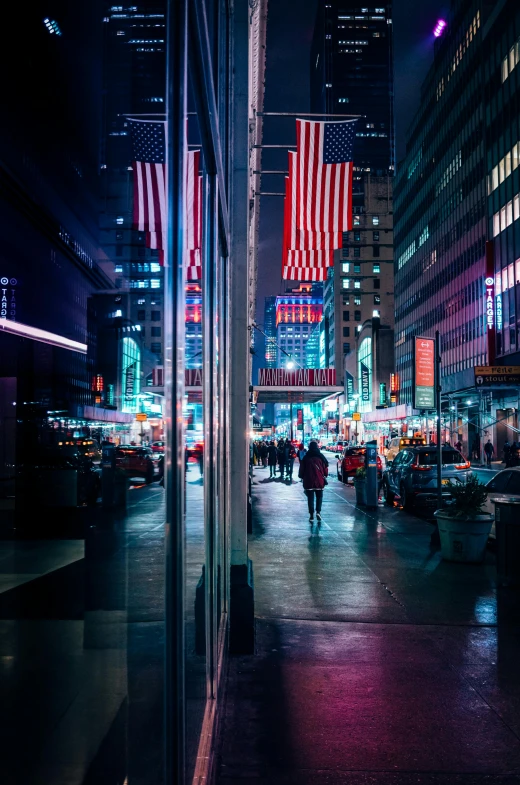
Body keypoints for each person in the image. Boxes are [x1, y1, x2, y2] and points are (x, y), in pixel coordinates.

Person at [298, 440, 329, 525]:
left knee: (310, 498)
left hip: (309, 481)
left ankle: (311, 515)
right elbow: (325, 469)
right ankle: (318, 512)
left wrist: (301, 476)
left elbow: (302, 470)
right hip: (319, 481)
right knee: (319, 497)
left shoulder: (306, 457)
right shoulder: (321, 457)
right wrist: (325, 475)